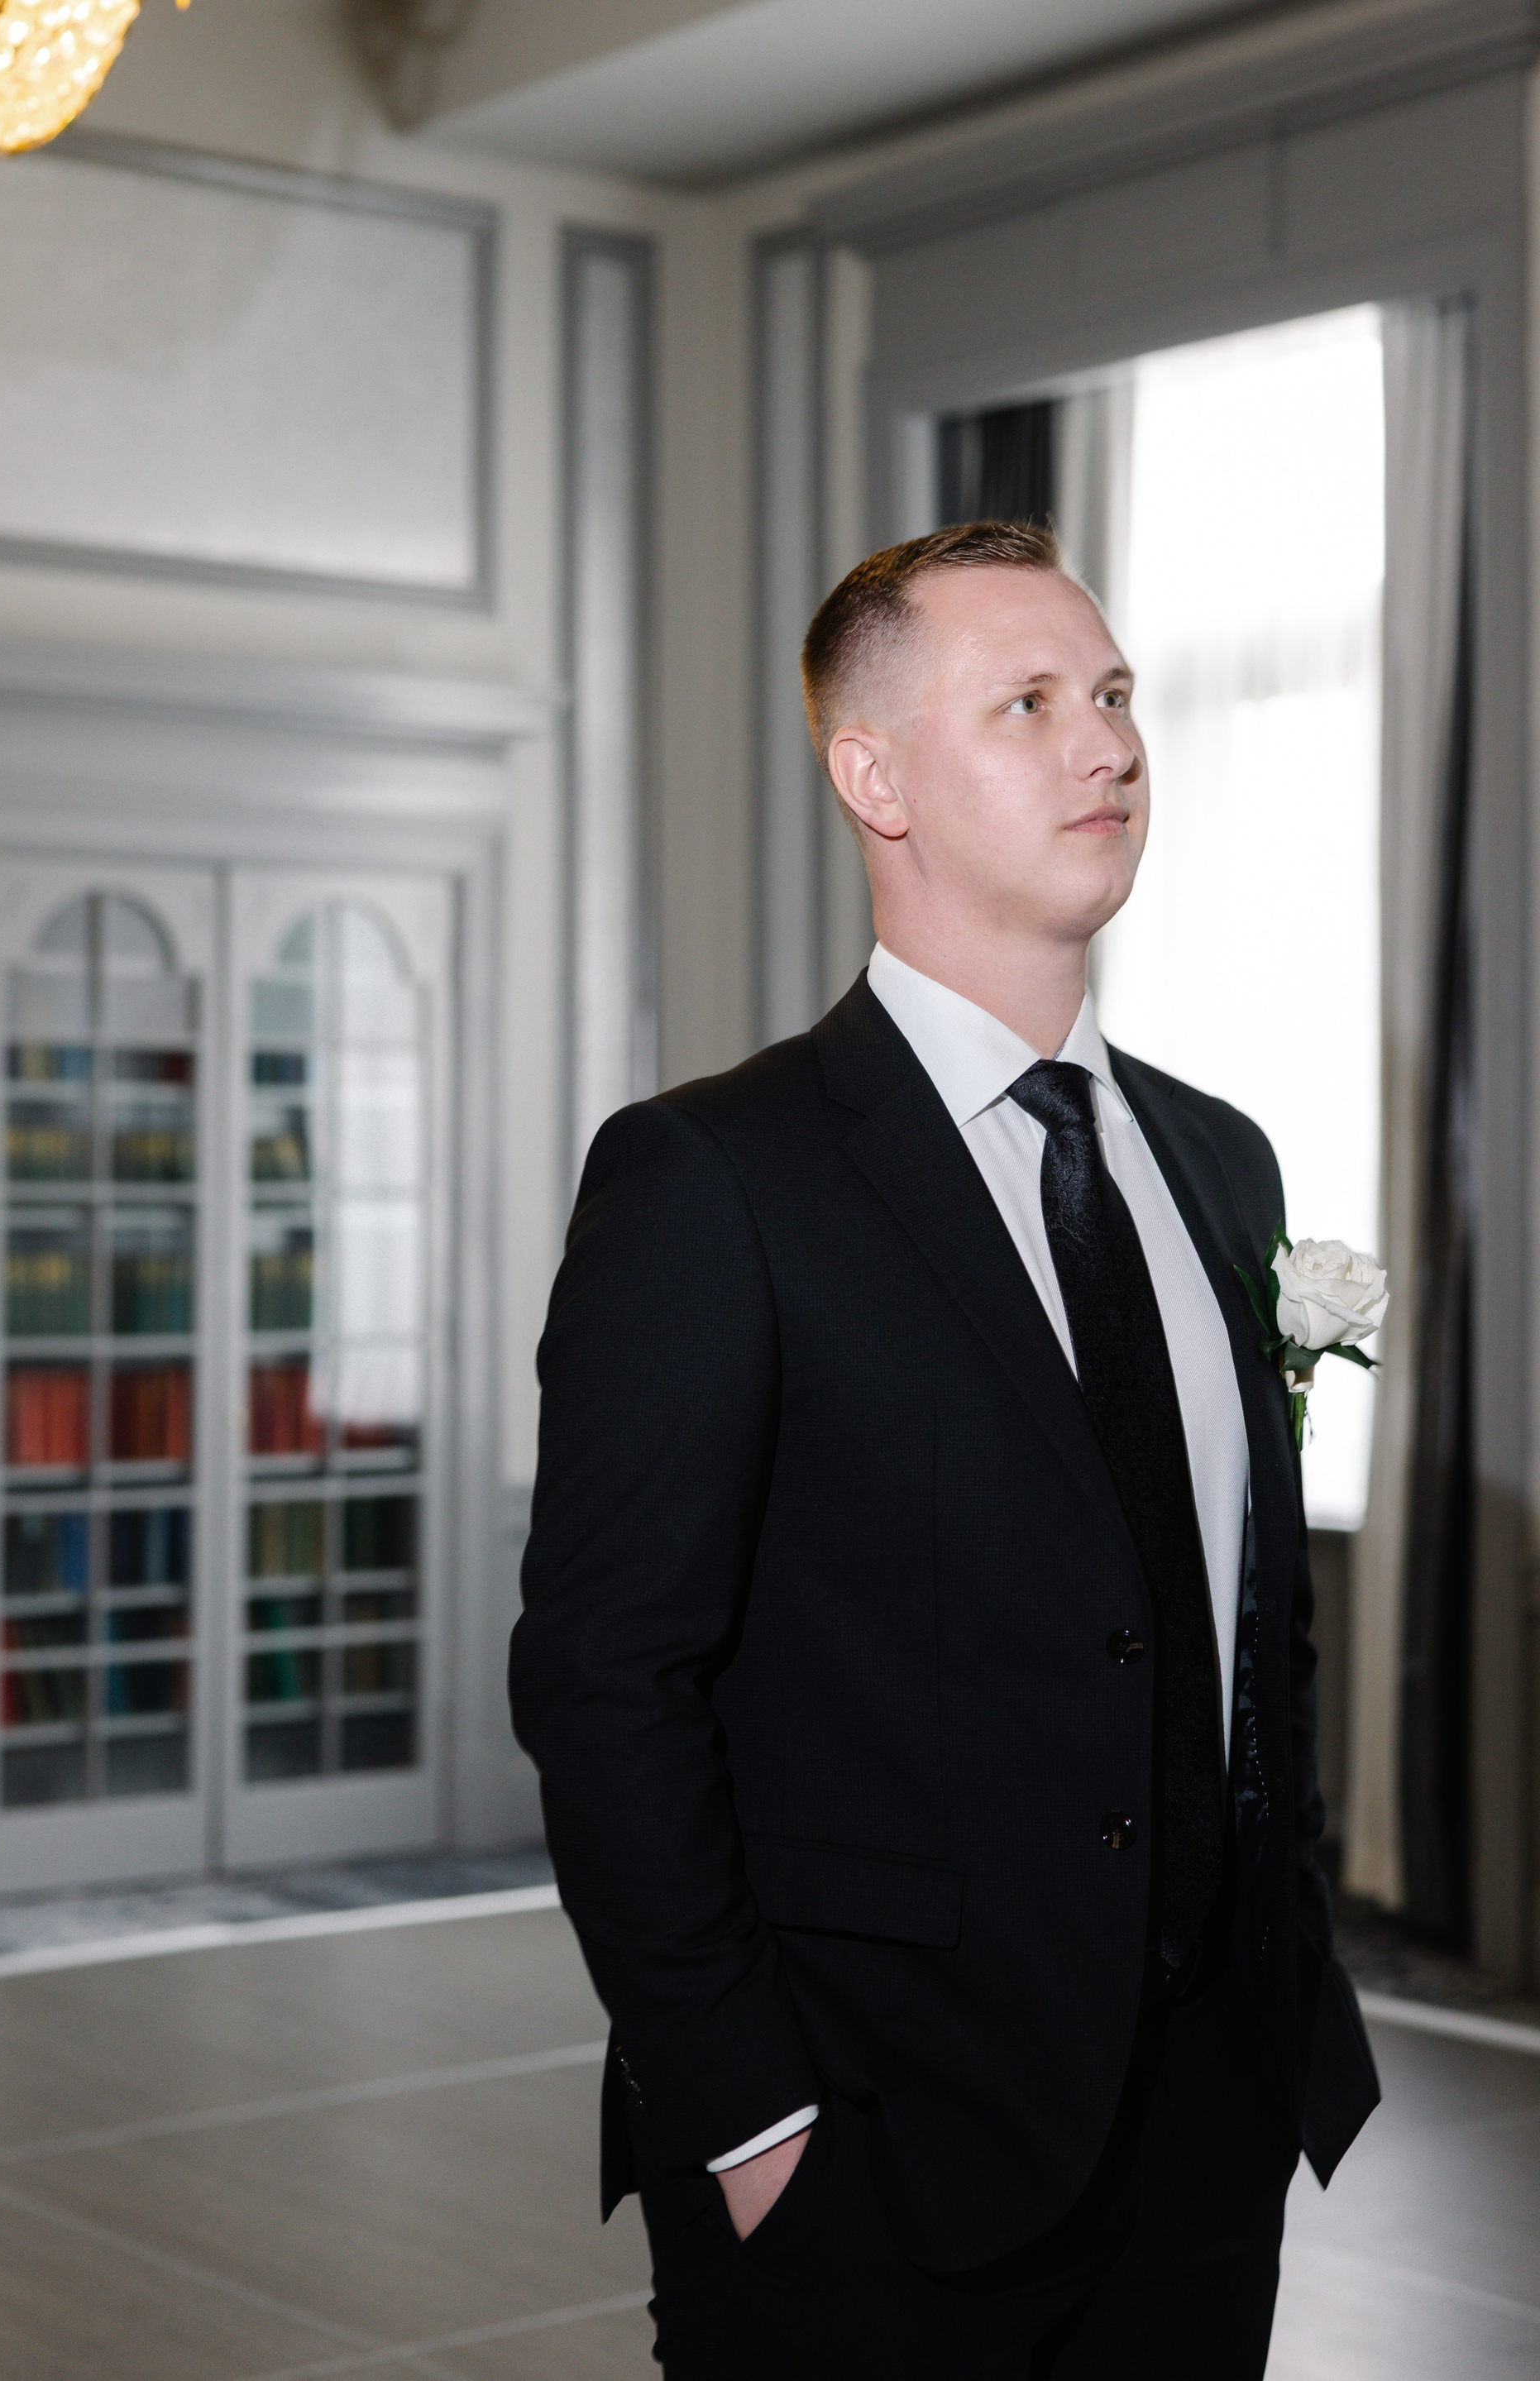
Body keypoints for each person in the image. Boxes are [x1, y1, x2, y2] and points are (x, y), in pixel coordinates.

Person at [509, 519, 1380, 2376]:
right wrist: (753, 2122)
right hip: (869, 2158)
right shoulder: (714, 1178)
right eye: (1032, 703)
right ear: (876, 778)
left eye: (1118, 694)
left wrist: (1283, 1990)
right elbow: (605, 1681)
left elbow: (1250, 1630)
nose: (1111, 743)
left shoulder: (1221, 1161)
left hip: (1211, 2141)